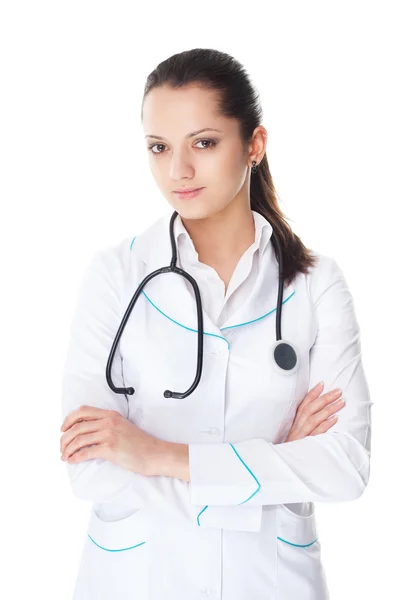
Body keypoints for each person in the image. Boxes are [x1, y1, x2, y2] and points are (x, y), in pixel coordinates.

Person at [60, 48, 372, 600]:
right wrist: (273, 464)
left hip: (272, 583)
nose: (177, 170)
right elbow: (91, 468)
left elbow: (345, 467)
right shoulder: (116, 275)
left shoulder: (316, 283)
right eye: (159, 148)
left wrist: (157, 455)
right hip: (138, 581)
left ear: (254, 145)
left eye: (203, 143)